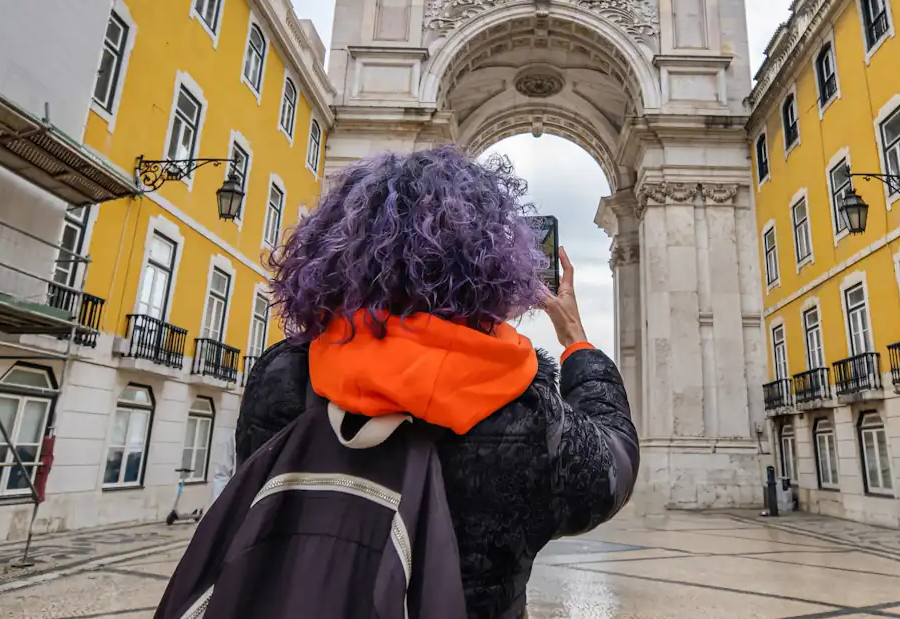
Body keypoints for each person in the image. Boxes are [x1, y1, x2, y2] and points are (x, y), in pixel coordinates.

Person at [235, 146, 639, 619]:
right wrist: (576, 342)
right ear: (491, 265)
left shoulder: (284, 376)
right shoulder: (524, 411)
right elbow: (613, 469)